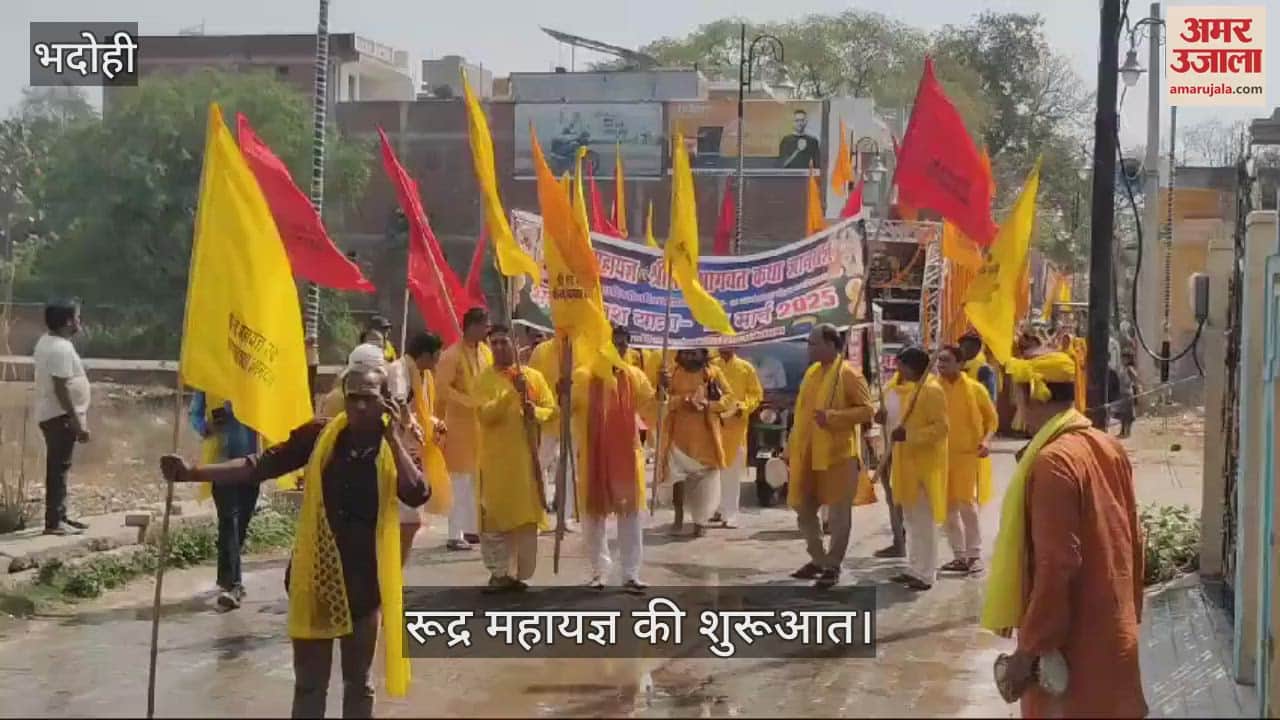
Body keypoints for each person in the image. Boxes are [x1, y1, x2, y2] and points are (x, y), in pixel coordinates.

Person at [160, 368, 427, 718]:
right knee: (309, 685)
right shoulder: (320, 435)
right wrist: (193, 472)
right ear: (343, 399)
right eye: (354, 397)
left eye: (370, 398)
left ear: (385, 401)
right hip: (315, 576)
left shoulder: (395, 446)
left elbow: (417, 492)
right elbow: (259, 466)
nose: (361, 407)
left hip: (365, 582)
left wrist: (392, 438)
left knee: (359, 685)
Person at [983, 348, 1146, 718]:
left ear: (1030, 394)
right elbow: (1135, 540)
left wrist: (1030, 649)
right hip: (1114, 630)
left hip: (1072, 649)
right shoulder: (1108, 444)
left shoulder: (1053, 461)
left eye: (1015, 392)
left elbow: (1057, 565)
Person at [785, 325, 875, 588]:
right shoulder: (811, 374)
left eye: (814, 343)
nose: (809, 349)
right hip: (807, 453)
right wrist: (789, 450)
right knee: (803, 507)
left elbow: (867, 411)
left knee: (838, 514)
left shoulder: (848, 374)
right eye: (809, 344)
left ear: (832, 345)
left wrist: (834, 418)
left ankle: (833, 565)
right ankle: (818, 558)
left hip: (838, 455)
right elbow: (801, 416)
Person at [571, 326, 656, 592]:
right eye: (614, 344)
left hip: (626, 458)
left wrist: (662, 392)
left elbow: (650, 407)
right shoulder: (584, 376)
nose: (619, 350)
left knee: (630, 515)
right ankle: (599, 571)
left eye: (623, 345)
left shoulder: (634, 376)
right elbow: (567, 407)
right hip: (593, 456)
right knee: (593, 517)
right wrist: (563, 390)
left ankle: (630, 574)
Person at [473, 325, 555, 592]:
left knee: (525, 521)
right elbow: (485, 415)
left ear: (515, 343)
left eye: (502, 342)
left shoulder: (533, 376)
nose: (497, 348)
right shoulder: (484, 379)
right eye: (493, 343)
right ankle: (498, 573)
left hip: (526, 462)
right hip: (496, 462)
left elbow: (551, 409)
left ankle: (518, 574)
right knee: (494, 519)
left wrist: (536, 413)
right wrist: (511, 392)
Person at [878, 346, 948, 592]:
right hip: (903, 463)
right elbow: (895, 421)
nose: (899, 369)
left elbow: (941, 429)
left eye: (902, 365)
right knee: (910, 518)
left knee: (924, 521)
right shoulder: (905, 389)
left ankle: (927, 574)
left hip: (924, 465)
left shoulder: (931, 390)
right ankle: (914, 567)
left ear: (913, 366)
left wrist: (909, 435)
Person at [189, 392, 260, 609]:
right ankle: (233, 586)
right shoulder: (209, 383)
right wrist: (205, 427)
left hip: (251, 465)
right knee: (230, 520)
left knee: (241, 523)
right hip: (221, 464)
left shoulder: (252, 382)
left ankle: (225, 576)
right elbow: (195, 415)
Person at [657, 349, 734, 537]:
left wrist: (708, 404)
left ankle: (700, 522)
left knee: (705, 482)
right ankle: (678, 518)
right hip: (678, 436)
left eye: (695, 354)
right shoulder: (672, 373)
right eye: (686, 354)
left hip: (705, 438)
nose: (690, 358)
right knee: (676, 480)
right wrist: (676, 396)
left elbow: (729, 398)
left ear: (703, 355)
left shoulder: (712, 373)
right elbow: (662, 401)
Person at [387, 332, 449, 566]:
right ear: (425, 355)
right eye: (436, 356)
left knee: (409, 518)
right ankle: (392, 571)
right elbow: (400, 402)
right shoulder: (399, 370)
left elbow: (418, 411)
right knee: (407, 519)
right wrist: (411, 425)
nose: (438, 362)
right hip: (396, 449)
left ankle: (395, 571)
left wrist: (432, 423)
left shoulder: (424, 377)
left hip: (414, 450)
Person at [935, 346, 997, 576]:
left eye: (946, 360)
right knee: (946, 509)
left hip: (967, 456)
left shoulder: (976, 389)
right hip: (939, 457)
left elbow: (992, 420)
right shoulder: (931, 389)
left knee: (967, 506)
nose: (941, 365)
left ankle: (974, 555)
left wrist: (987, 441)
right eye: (939, 360)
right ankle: (959, 556)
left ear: (960, 364)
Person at [436, 307, 494, 551]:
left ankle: (471, 529)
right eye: (484, 325)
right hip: (460, 427)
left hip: (482, 427)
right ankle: (454, 534)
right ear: (471, 326)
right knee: (459, 481)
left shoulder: (486, 354)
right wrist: (468, 402)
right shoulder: (451, 355)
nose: (487, 330)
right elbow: (442, 388)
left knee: (475, 481)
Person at [32, 300, 91, 536]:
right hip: (60, 416)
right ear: (68, 321)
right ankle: (54, 522)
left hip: (55, 414)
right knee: (58, 468)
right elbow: (61, 387)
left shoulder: (51, 342)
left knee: (60, 467)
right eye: (77, 318)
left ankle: (60, 516)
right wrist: (76, 418)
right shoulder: (60, 348)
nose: (79, 322)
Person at [527, 333, 579, 530]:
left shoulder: (582, 351)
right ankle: (536, 515)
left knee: (568, 470)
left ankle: (564, 518)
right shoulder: (542, 351)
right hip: (547, 419)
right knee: (539, 466)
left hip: (573, 419)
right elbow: (531, 383)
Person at [711, 346, 763, 529]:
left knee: (731, 471)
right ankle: (716, 508)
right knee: (712, 471)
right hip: (714, 425)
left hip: (736, 427)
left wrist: (743, 406)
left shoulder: (745, 368)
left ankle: (730, 514)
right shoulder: (712, 366)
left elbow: (756, 394)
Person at [958, 333, 998, 405]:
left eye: (969, 346)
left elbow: (991, 398)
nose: (964, 349)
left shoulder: (985, 369)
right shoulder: (954, 364)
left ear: (977, 348)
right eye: (963, 346)